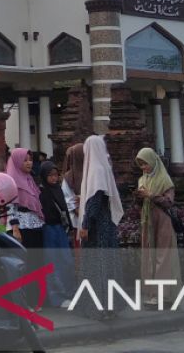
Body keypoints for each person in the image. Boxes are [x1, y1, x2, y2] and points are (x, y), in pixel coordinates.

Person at [75, 134, 123, 320]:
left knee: (98, 264)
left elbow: (94, 201)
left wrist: (85, 224)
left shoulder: (96, 170)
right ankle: (110, 306)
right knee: (107, 263)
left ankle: (99, 307)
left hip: (98, 227)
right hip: (106, 224)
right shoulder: (103, 168)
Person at [135, 147, 181, 304]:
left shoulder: (165, 180)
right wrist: (139, 197)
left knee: (163, 256)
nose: (144, 168)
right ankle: (151, 292)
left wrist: (151, 195)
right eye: (141, 165)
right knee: (149, 255)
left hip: (162, 221)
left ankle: (163, 294)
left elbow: (169, 202)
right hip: (148, 220)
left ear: (153, 162)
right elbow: (139, 204)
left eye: (146, 164)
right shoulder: (142, 179)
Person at [38, 161, 77, 306]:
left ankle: (69, 292)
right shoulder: (42, 191)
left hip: (60, 229)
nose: (54, 178)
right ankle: (57, 297)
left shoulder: (57, 189)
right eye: (51, 175)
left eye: (56, 175)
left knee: (66, 261)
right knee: (53, 263)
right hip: (49, 229)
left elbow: (64, 209)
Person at [5, 148, 45, 248]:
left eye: (30, 160)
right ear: (17, 161)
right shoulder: (11, 181)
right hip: (21, 227)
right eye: (25, 160)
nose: (29, 163)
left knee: (37, 260)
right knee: (25, 260)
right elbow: (10, 207)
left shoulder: (29, 179)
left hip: (35, 225)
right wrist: (15, 229)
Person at [62, 142, 84, 230]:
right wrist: (79, 213)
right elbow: (68, 200)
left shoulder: (91, 173)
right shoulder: (69, 177)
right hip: (77, 219)